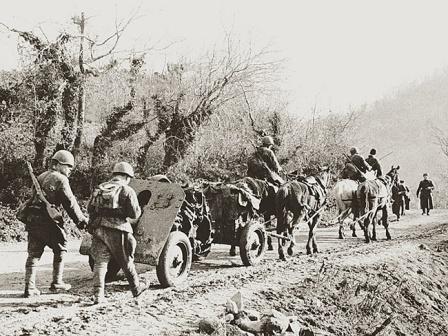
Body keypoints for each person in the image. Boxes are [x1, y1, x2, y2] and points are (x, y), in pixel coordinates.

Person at [21, 150, 88, 298]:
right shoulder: (60, 179)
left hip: (33, 219)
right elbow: (69, 203)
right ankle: (57, 283)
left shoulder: (41, 176)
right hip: (48, 221)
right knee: (61, 247)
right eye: (68, 166)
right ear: (57, 165)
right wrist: (81, 220)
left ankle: (29, 287)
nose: (70, 170)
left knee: (33, 253)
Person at [87, 161, 149, 304]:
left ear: (114, 174)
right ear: (127, 177)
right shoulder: (127, 190)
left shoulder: (100, 187)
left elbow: (89, 208)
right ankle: (136, 288)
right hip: (119, 229)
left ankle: (98, 295)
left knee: (100, 263)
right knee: (126, 261)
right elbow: (134, 214)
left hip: (98, 228)